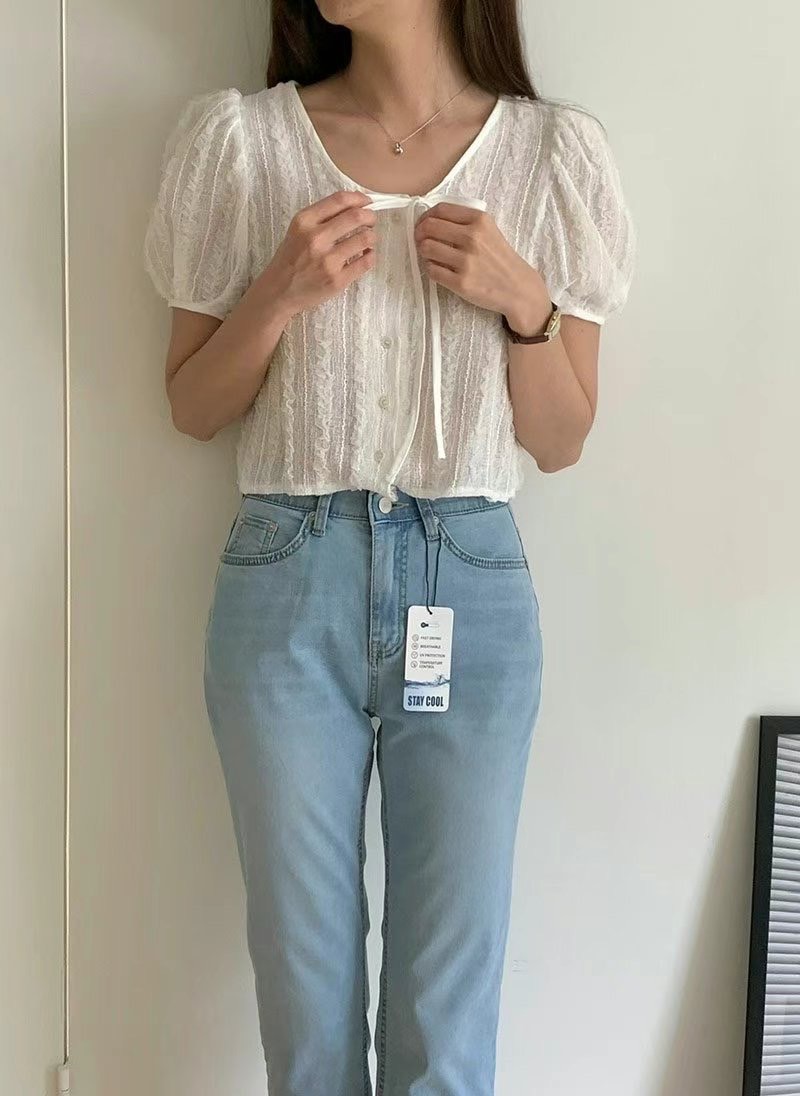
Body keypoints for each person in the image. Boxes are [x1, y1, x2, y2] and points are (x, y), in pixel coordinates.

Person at [143, 2, 635, 1093]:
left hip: (470, 582)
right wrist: (277, 294)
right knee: (303, 1005)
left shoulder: (550, 155)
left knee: (444, 1021)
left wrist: (527, 306)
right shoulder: (242, 144)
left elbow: (560, 440)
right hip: (287, 578)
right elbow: (191, 405)